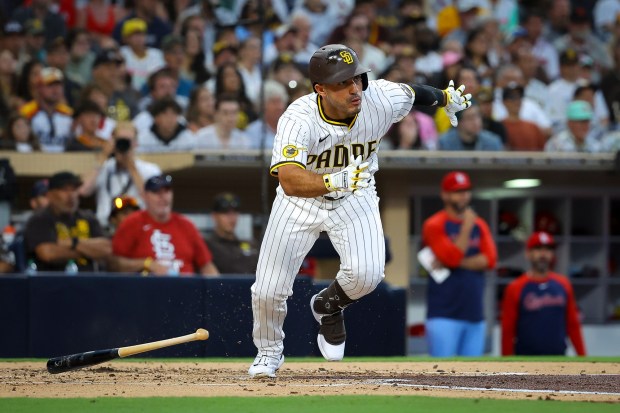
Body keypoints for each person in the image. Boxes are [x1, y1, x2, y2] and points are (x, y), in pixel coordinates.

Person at [248, 44, 471, 378]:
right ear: (320, 89)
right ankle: (268, 352)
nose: (355, 88)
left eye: (357, 79)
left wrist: (444, 98)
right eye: (343, 83)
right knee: (268, 289)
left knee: (368, 275)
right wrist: (333, 179)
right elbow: (290, 180)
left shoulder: (379, 98)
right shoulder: (298, 118)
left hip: (356, 193)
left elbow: (413, 93)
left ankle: (328, 305)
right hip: (300, 202)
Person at [422, 171, 497, 357]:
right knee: (440, 374)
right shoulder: (435, 224)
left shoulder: (479, 225)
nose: (463, 195)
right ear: (445, 195)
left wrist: (452, 262)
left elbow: (490, 260)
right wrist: (466, 227)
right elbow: (452, 258)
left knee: (472, 377)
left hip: (474, 314)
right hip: (443, 314)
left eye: (466, 190)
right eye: (457, 191)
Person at [111, 175, 219, 276]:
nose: (162, 197)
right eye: (156, 192)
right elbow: (114, 264)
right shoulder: (132, 222)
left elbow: (206, 265)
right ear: (145, 196)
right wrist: (147, 264)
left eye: (166, 191)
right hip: (145, 290)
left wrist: (221, 290)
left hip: (185, 290)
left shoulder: (186, 225)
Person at [501, 231, 586, 356]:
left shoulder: (563, 284)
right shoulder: (515, 287)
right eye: (538, 249)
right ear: (528, 254)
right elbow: (508, 329)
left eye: (547, 249)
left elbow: (573, 324)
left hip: (558, 358)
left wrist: (583, 357)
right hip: (526, 359)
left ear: (552, 254)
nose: (543, 254)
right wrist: (506, 364)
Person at [23, 171, 111, 272]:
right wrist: (91, 251)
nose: (71, 195)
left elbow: (107, 249)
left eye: (74, 190)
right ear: (49, 195)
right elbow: (48, 253)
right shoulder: (40, 219)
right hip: (54, 282)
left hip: (92, 280)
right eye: (64, 190)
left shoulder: (89, 217)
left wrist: (72, 243)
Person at [78, 121, 161, 226]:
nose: (124, 145)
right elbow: (83, 191)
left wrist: (132, 167)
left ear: (136, 143)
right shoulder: (103, 167)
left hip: (138, 225)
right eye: (120, 141)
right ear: (112, 142)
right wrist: (103, 156)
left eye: (128, 141)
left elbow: (153, 200)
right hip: (105, 226)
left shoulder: (150, 169)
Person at [204, 192, 258, 274]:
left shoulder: (252, 244)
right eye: (225, 213)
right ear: (214, 216)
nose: (231, 218)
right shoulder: (206, 245)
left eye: (235, 212)